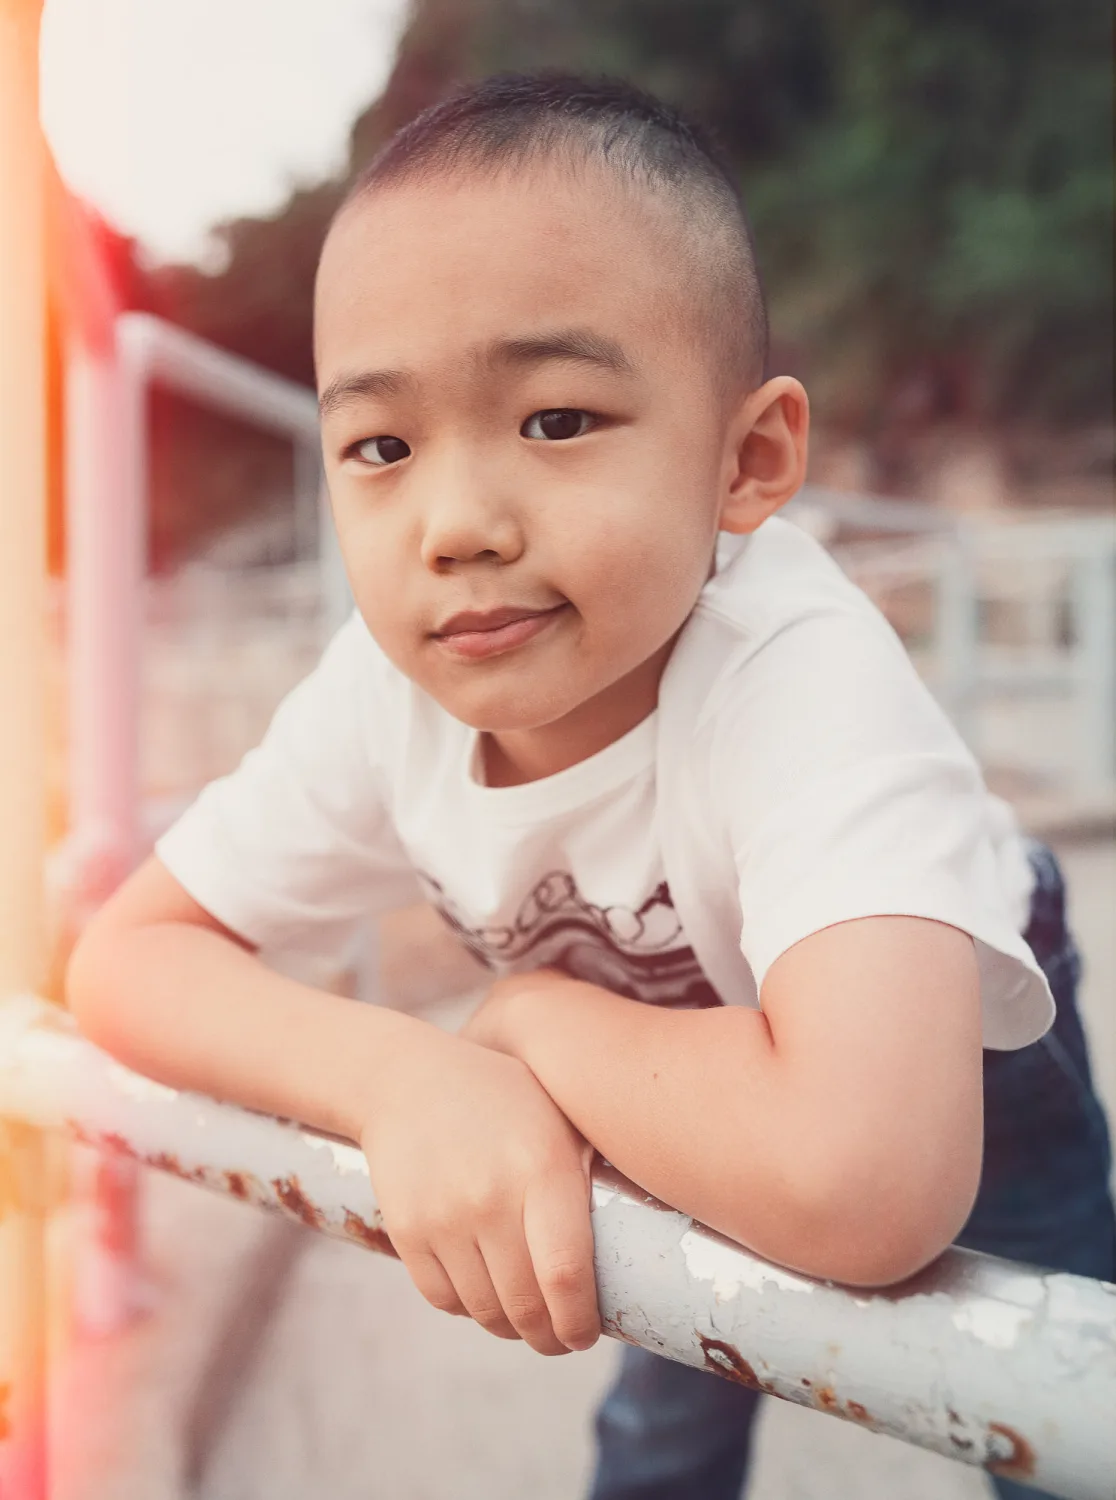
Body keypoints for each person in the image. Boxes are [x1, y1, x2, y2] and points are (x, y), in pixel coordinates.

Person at [67, 72, 1115, 1500]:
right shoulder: (389, 696)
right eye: (382, 446)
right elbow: (128, 959)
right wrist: (402, 1079)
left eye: (556, 422)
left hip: (958, 1057)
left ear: (748, 463)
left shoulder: (796, 672)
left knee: (1044, 1401)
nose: (457, 525)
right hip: (678, 1066)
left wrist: (532, 1019)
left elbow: (867, 1177)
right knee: (659, 1413)